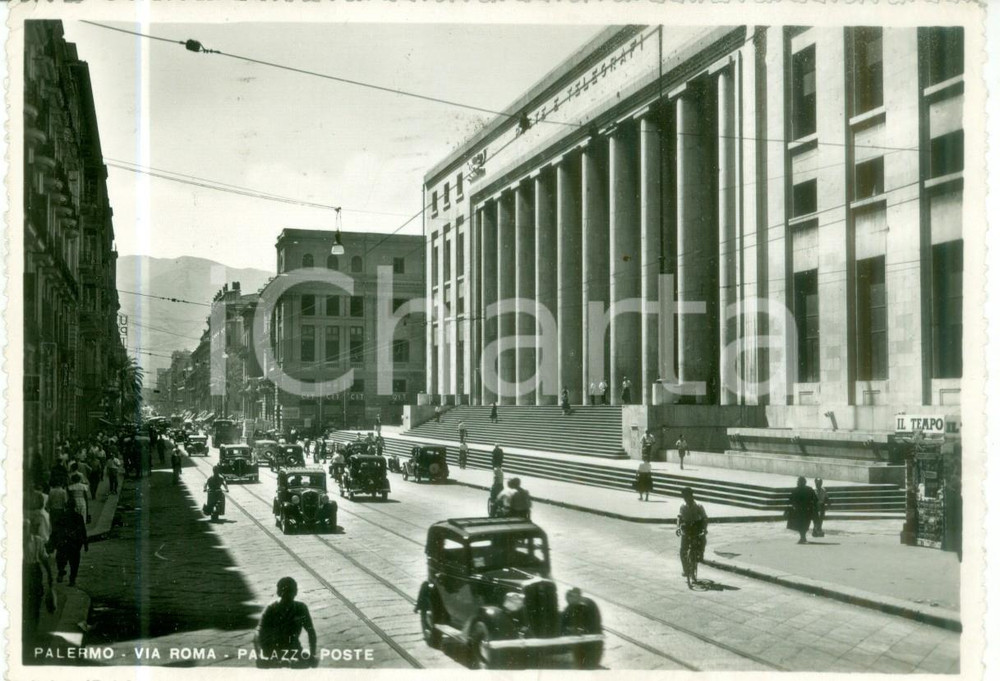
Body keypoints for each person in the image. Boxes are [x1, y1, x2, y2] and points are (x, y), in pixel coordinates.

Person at [254, 576, 318, 669]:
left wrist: (312, 654)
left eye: (291, 591)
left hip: (294, 649)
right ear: (279, 593)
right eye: (285, 592)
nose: (288, 595)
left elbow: (311, 631)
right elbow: (258, 633)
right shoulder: (271, 608)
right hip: (273, 650)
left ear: (295, 592)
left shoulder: (301, 608)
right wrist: (260, 655)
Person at [23, 517, 54, 646]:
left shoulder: (38, 541)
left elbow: (45, 559)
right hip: (21, 571)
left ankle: (32, 631)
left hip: (34, 571)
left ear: (29, 529)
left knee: (35, 602)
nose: (23, 531)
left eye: (25, 528)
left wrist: (50, 575)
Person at [50, 505, 88, 587]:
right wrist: (85, 544)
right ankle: (72, 580)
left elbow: (55, 531)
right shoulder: (79, 517)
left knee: (61, 559)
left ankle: (61, 571)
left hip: (63, 543)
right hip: (75, 544)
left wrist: (53, 544)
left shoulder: (61, 516)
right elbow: (83, 531)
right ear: (74, 507)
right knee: (74, 563)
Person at [676, 487, 708, 580]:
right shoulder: (682, 506)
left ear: (691, 496)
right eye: (684, 497)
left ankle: (700, 554)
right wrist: (678, 528)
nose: (685, 499)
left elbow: (705, 518)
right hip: (686, 528)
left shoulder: (699, 506)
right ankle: (685, 570)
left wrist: (704, 529)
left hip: (696, 527)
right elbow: (679, 518)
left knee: (703, 540)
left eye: (687, 496)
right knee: (682, 550)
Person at [787, 476, 818, 544]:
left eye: (799, 481)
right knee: (804, 524)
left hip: (801, 510)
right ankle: (803, 537)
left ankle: (802, 537)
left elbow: (790, 500)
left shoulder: (797, 490)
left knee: (802, 524)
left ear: (802, 482)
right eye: (798, 481)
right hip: (806, 510)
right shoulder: (808, 489)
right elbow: (815, 499)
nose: (798, 483)